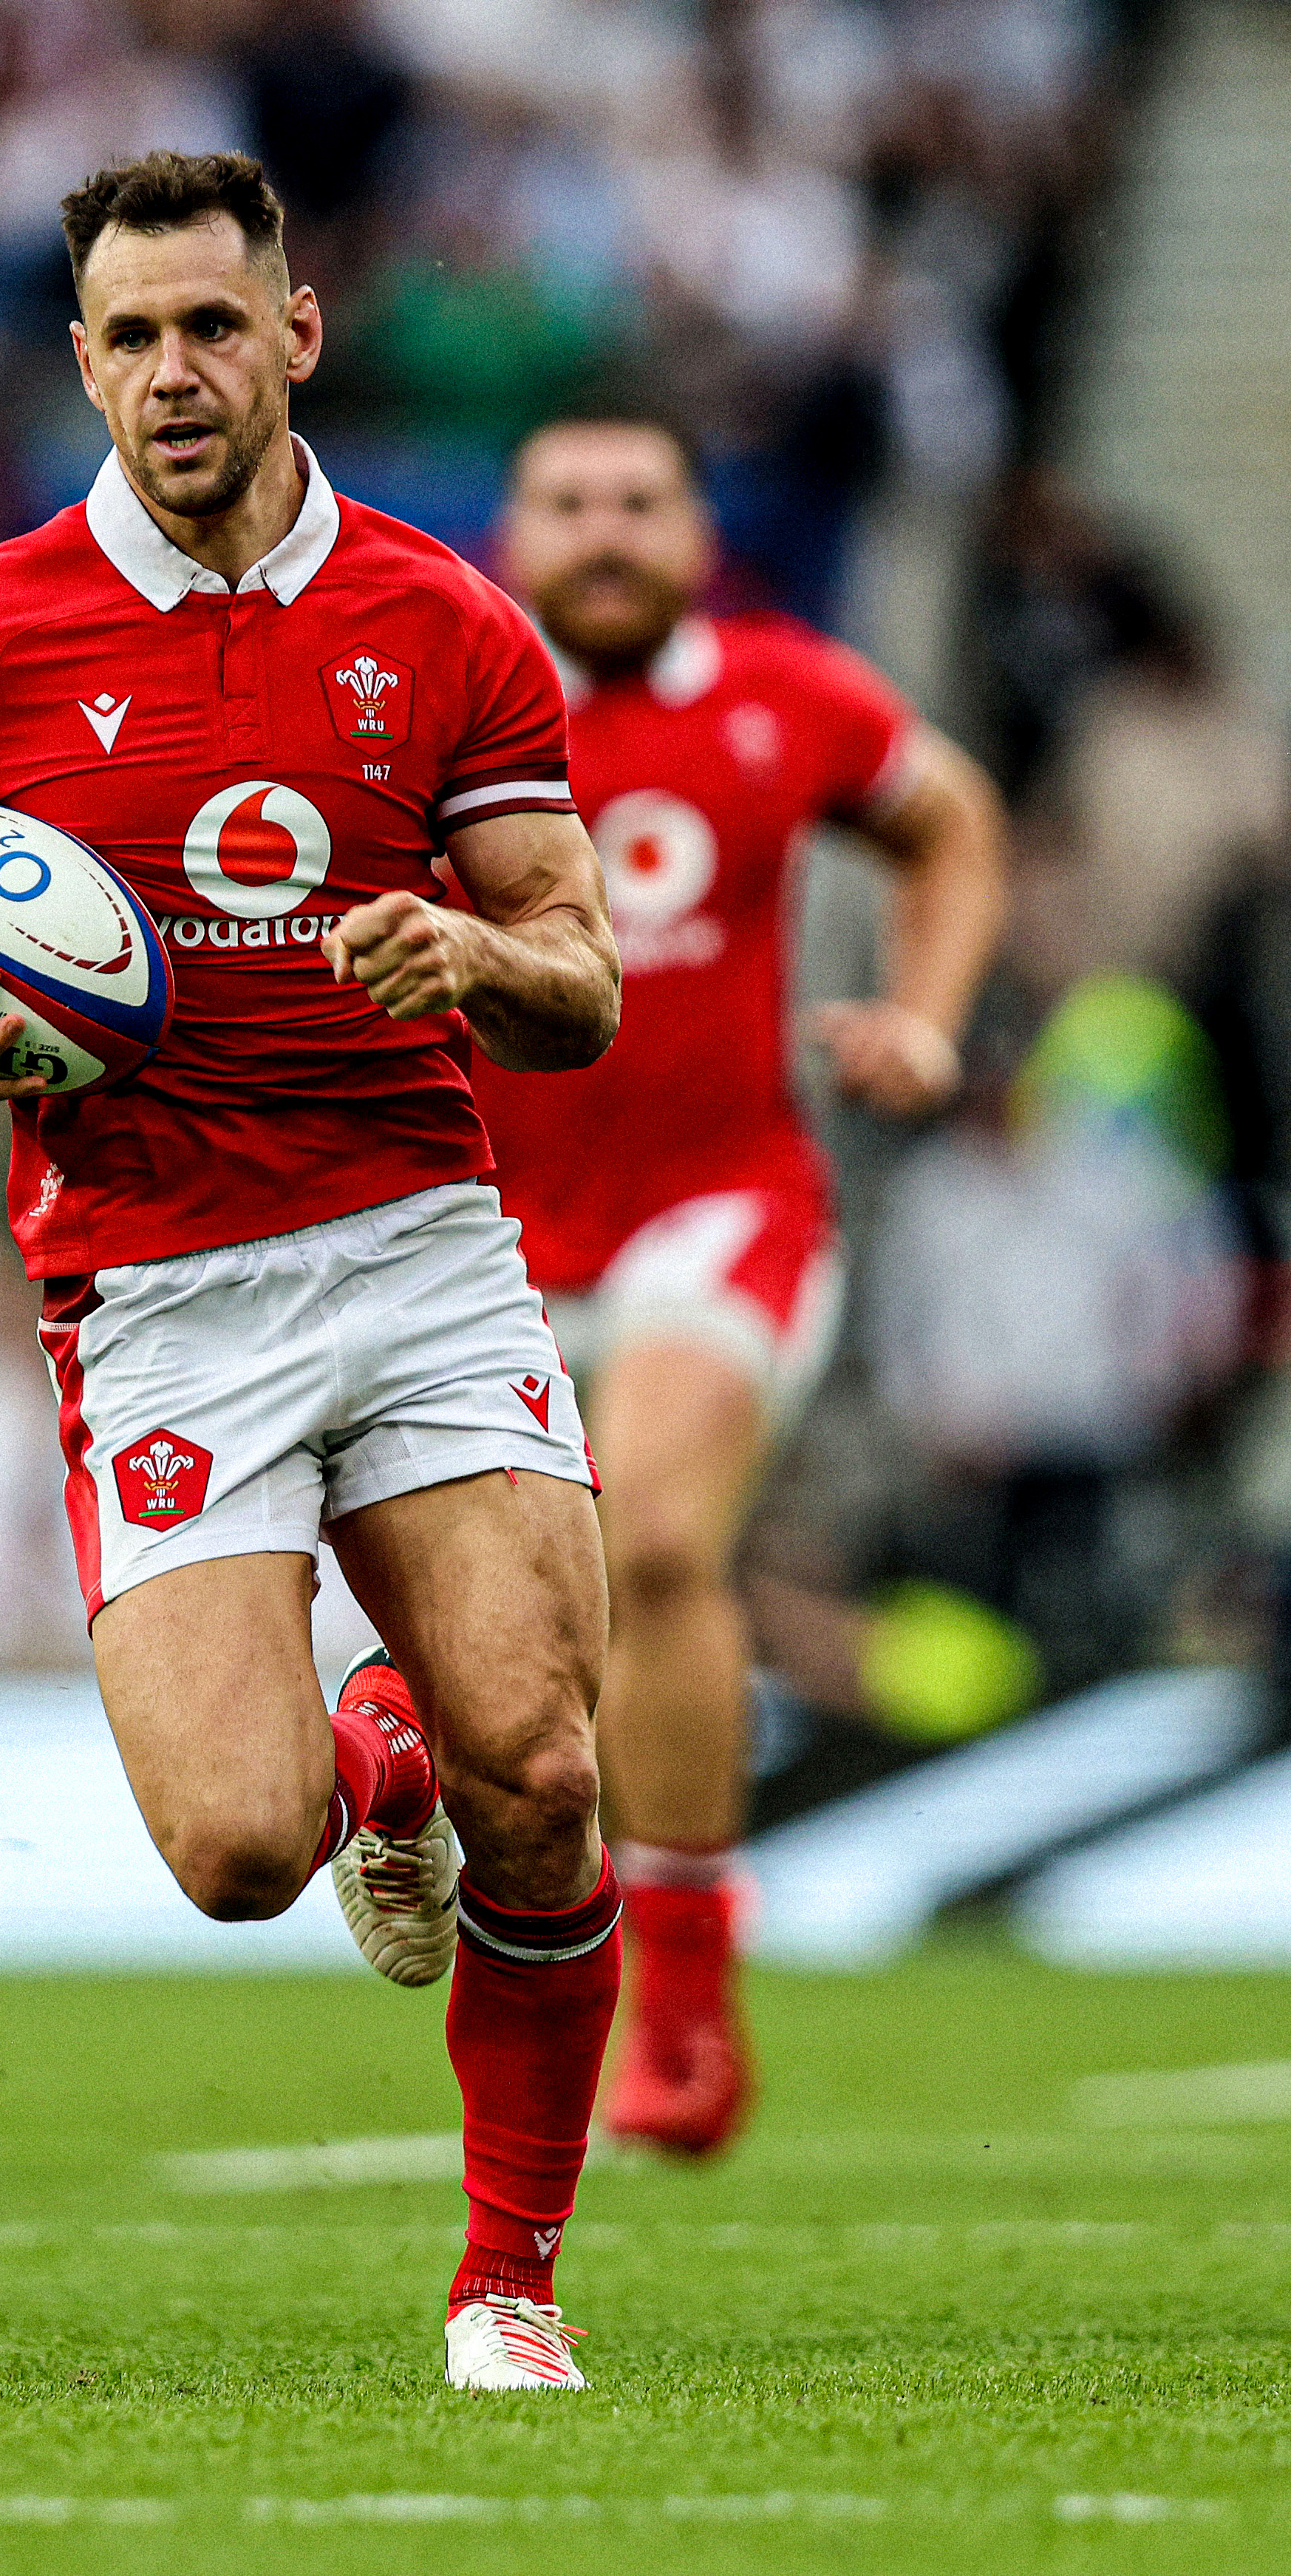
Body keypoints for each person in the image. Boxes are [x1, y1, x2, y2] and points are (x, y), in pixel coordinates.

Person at [0, 152, 624, 2393]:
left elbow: (584, 978)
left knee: (545, 1761)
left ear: (298, 333)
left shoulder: (446, 623)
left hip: (419, 1240)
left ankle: (507, 2278)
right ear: (79, 359)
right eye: (132, 335)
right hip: (159, 1285)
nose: (175, 371)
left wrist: (469, 946)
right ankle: (373, 1752)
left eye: (211, 327)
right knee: (240, 1850)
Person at [475, 407, 1006, 2156]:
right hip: (478, 1239)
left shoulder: (793, 691)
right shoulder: (434, 697)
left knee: (655, 1545)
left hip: (722, 1203)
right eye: (570, 505)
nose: (605, 533)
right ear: (514, 528)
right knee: (505, 1639)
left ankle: (686, 1999)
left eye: (640, 501)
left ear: (699, 530)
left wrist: (924, 1018)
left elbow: (952, 825)